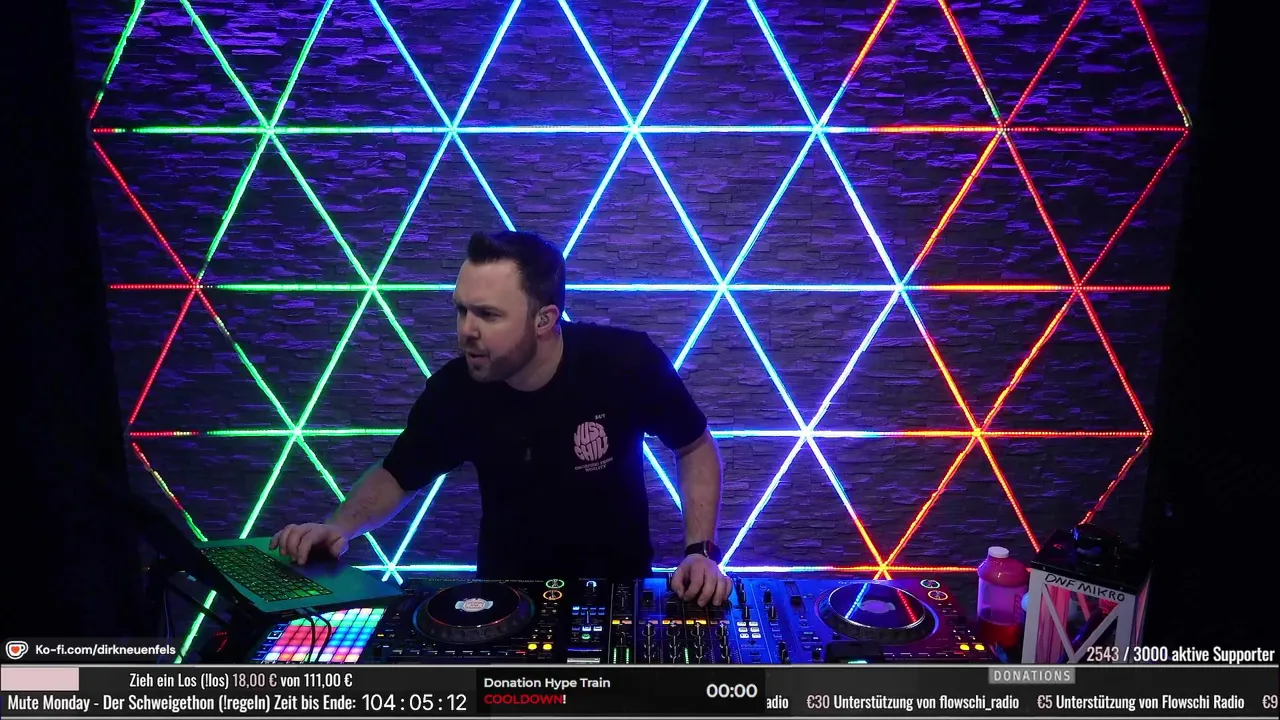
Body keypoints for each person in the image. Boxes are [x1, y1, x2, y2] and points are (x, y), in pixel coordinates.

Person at [271, 230, 732, 606]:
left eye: (488, 315)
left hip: (617, 591)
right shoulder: (455, 391)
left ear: (544, 319)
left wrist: (700, 553)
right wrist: (339, 527)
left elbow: (694, 446)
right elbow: (398, 474)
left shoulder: (625, 362)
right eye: (461, 310)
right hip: (502, 599)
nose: (466, 331)